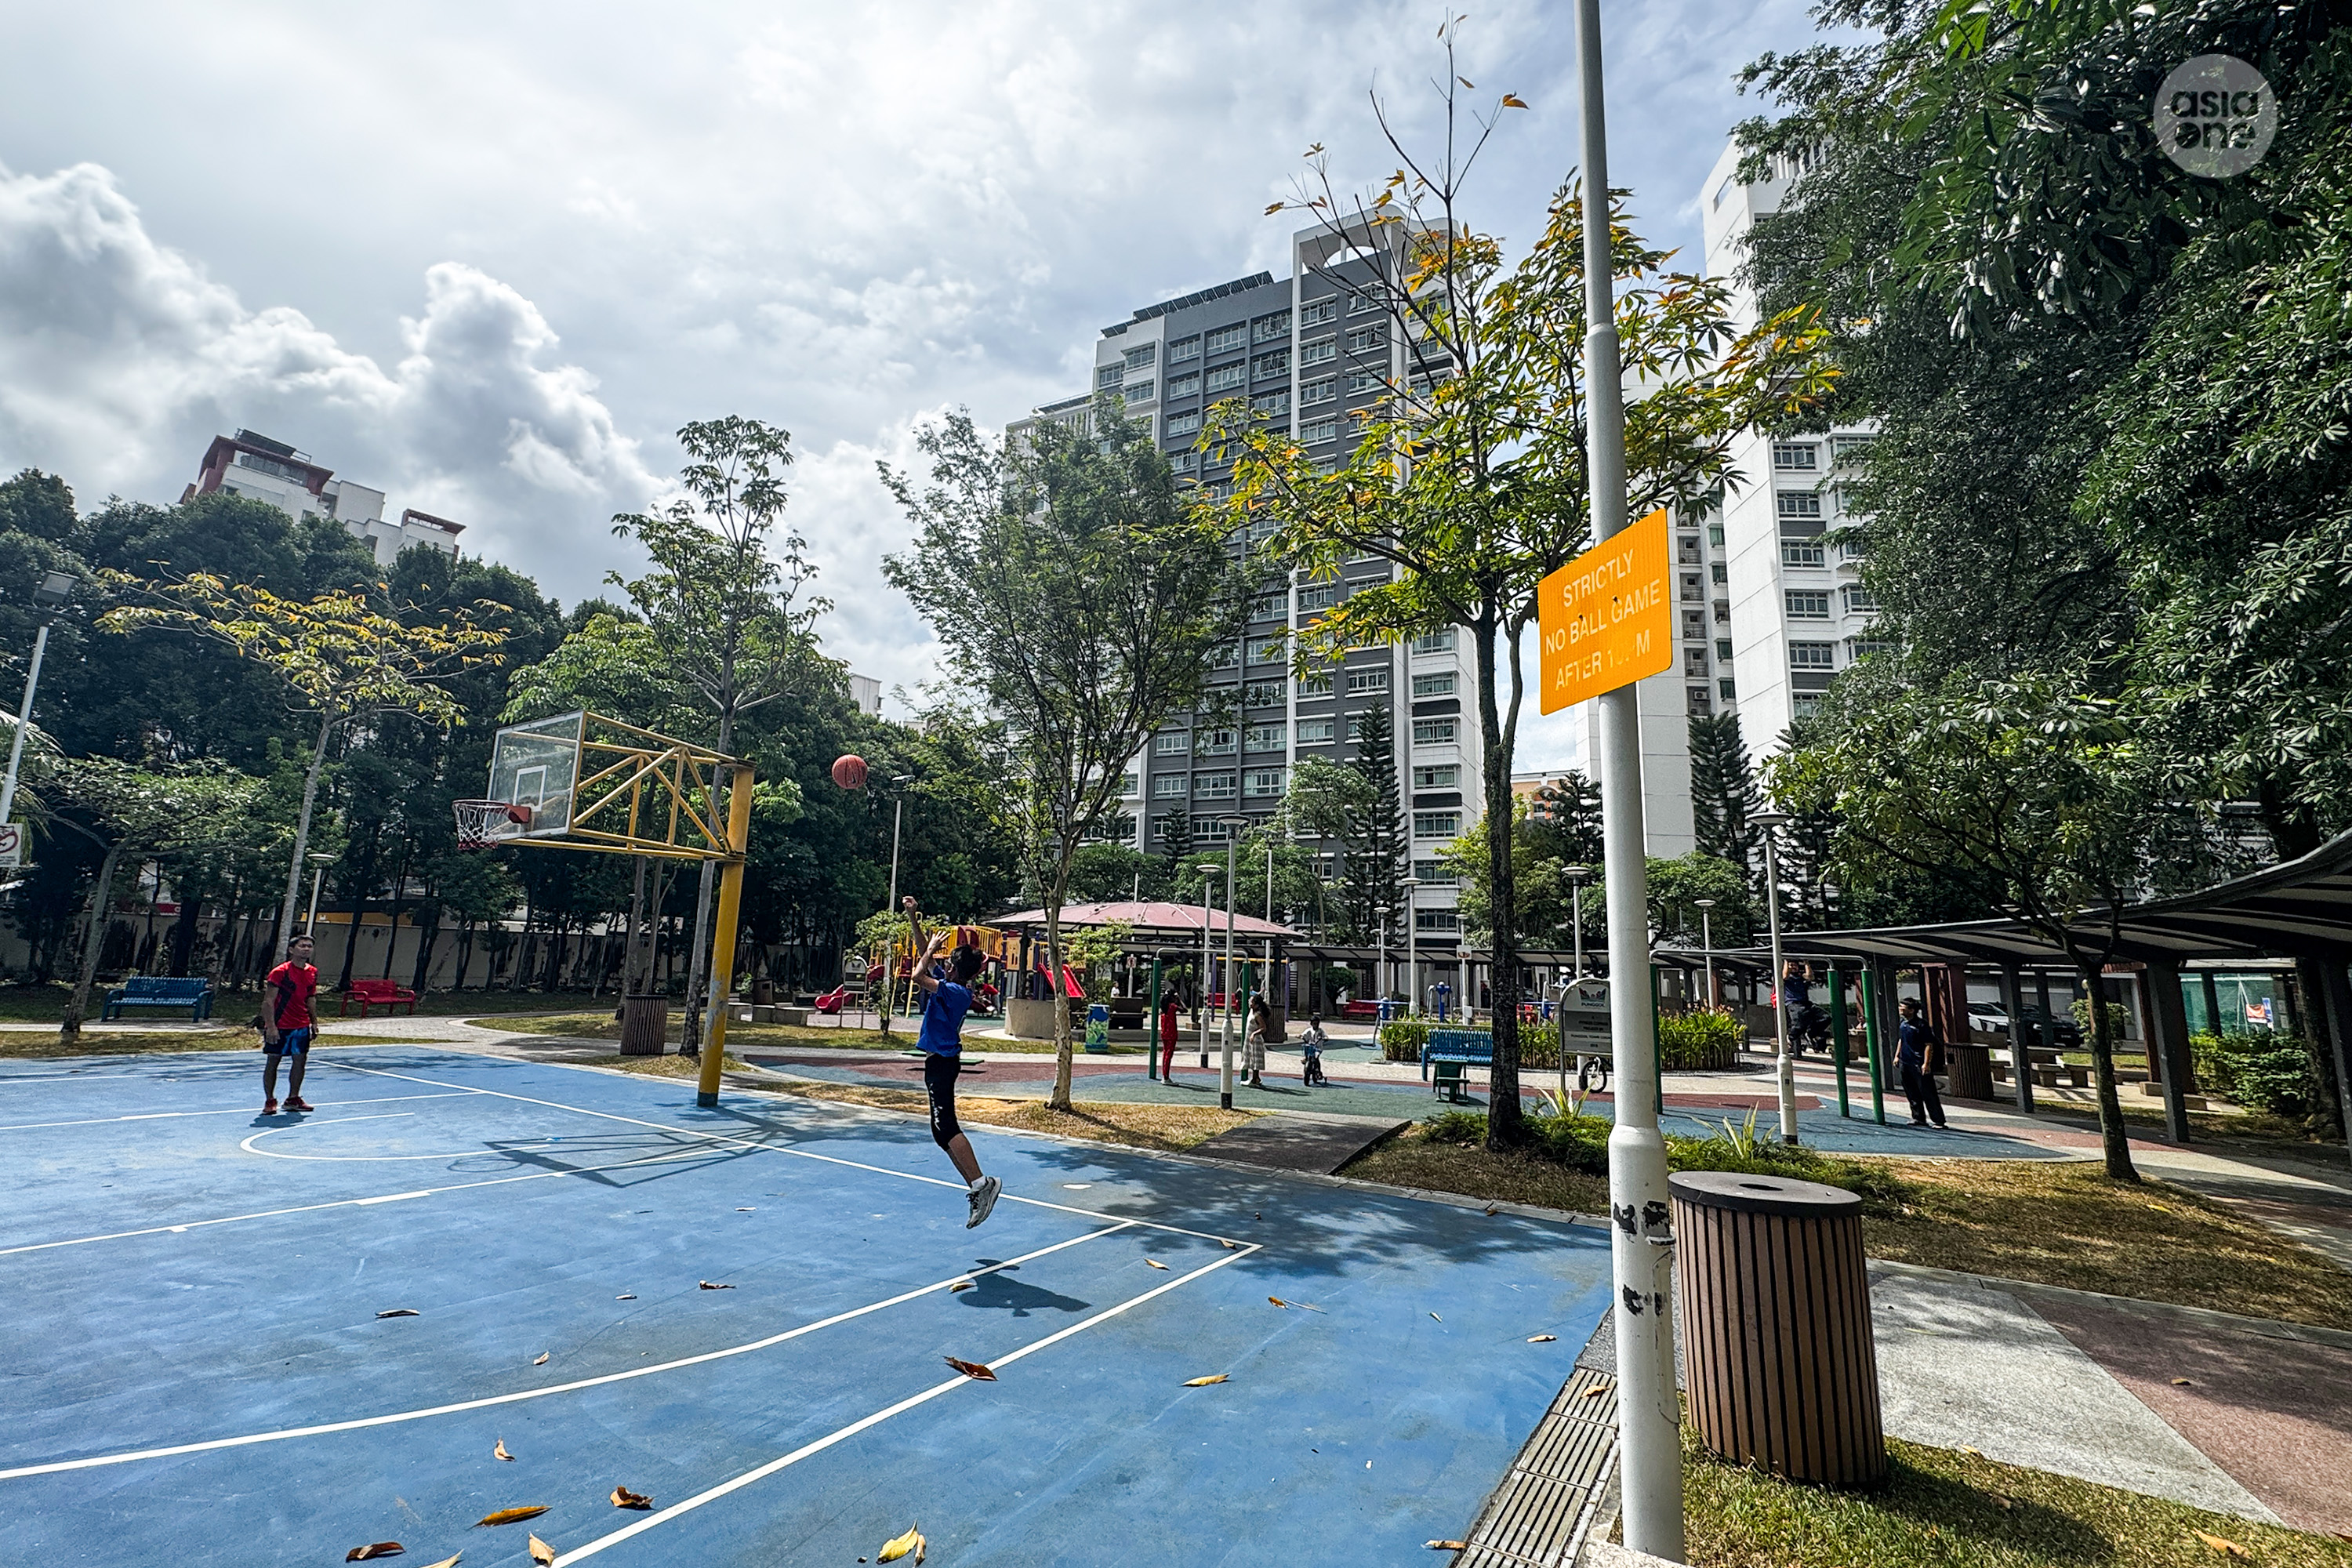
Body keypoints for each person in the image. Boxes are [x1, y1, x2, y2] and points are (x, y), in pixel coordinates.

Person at [903, 898, 1001, 1228]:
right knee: (939, 1131)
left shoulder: (956, 992)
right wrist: (914, 918)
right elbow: (924, 959)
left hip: (943, 1063)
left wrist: (930, 950)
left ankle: (981, 1183)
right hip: (938, 1063)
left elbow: (918, 973)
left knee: (947, 1126)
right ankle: (976, 1187)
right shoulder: (949, 984)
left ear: (955, 969)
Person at [261, 932, 320, 1115]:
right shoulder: (280, 973)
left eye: (309, 946)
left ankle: (293, 1098)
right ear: (291, 950)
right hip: (280, 1024)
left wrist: (314, 1022)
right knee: (273, 1061)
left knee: (300, 1061)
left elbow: (311, 998)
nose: (306, 949)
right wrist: (271, 1026)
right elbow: (268, 1001)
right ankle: (270, 1100)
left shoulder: (312, 972)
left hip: (300, 1025)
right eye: (302, 946)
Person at [1897, 999, 1948, 1129]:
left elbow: (1929, 1045)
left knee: (1927, 1092)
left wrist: (1926, 1063)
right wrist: (1897, 1055)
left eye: (1902, 1007)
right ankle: (1918, 1117)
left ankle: (1938, 1120)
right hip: (1905, 1061)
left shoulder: (1921, 1025)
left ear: (1911, 1010)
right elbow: (1901, 1040)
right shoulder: (1903, 1023)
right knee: (1911, 1091)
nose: (1900, 1008)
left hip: (1918, 1062)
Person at [1244, 993, 1274, 1089]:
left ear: (1256, 1005)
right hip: (1250, 1039)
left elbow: (1263, 1028)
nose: (1250, 1003)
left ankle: (1255, 1079)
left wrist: (1254, 1034)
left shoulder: (1257, 1015)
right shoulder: (1251, 1012)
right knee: (1251, 1058)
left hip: (1256, 1040)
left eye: (1252, 1002)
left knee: (1255, 1060)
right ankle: (1256, 1078)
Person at [1158, 987, 1181, 1083]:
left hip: (1164, 1033)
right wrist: (1179, 999)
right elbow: (1184, 1010)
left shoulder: (1163, 1009)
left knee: (1165, 1054)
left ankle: (1165, 1074)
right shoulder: (1172, 1007)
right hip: (1172, 1034)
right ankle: (1166, 1076)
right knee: (1169, 1055)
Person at [1299, 1012, 1328, 1087]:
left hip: (1318, 1048)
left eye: (1317, 1024)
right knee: (1307, 1054)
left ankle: (1318, 1070)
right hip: (1310, 1047)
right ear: (1311, 1024)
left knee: (1316, 1057)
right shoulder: (1309, 1030)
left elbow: (1325, 1036)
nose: (1316, 1025)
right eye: (1314, 1024)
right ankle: (1306, 1062)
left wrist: (1325, 1038)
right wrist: (1301, 1036)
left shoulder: (1320, 1031)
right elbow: (1303, 1034)